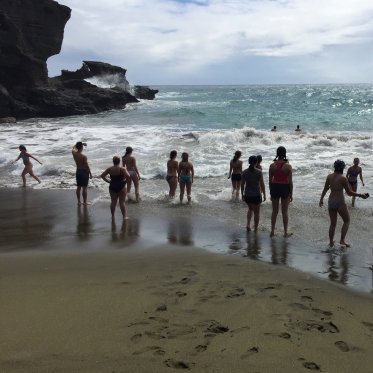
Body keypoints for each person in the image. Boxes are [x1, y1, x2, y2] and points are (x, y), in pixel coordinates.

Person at [319, 160, 369, 247]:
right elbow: (349, 193)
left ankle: (331, 242)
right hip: (340, 202)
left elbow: (325, 189)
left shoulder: (329, 176)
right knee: (346, 221)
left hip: (331, 202)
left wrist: (321, 199)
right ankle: (342, 240)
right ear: (342, 168)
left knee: (333, 224)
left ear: (335, 167)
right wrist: (360, 195)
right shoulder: (343, 178)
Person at [268, 146, 293, 237]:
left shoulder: (272, 165)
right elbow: (290, 182)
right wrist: (291, 193)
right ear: (285, 153)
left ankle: (272, 231)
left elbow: (270, 181)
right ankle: (285, 232)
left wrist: (271, 192)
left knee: (274, 211)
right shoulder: (288, 166)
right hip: (284, 188)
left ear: (277, 153)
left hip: (275, 187)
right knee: (284, 212)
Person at [241, 155, 266, 232]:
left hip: (248, 194)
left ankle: (248, 224)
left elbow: (242, 184)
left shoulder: (244, 172)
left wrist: (242, 194)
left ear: (249, 162)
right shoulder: (259, 172)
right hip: (256, 194)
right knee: (257, 212)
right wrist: (264, 194)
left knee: (250, 209)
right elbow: (262, 184)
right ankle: (255, 228)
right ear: (256, 162)